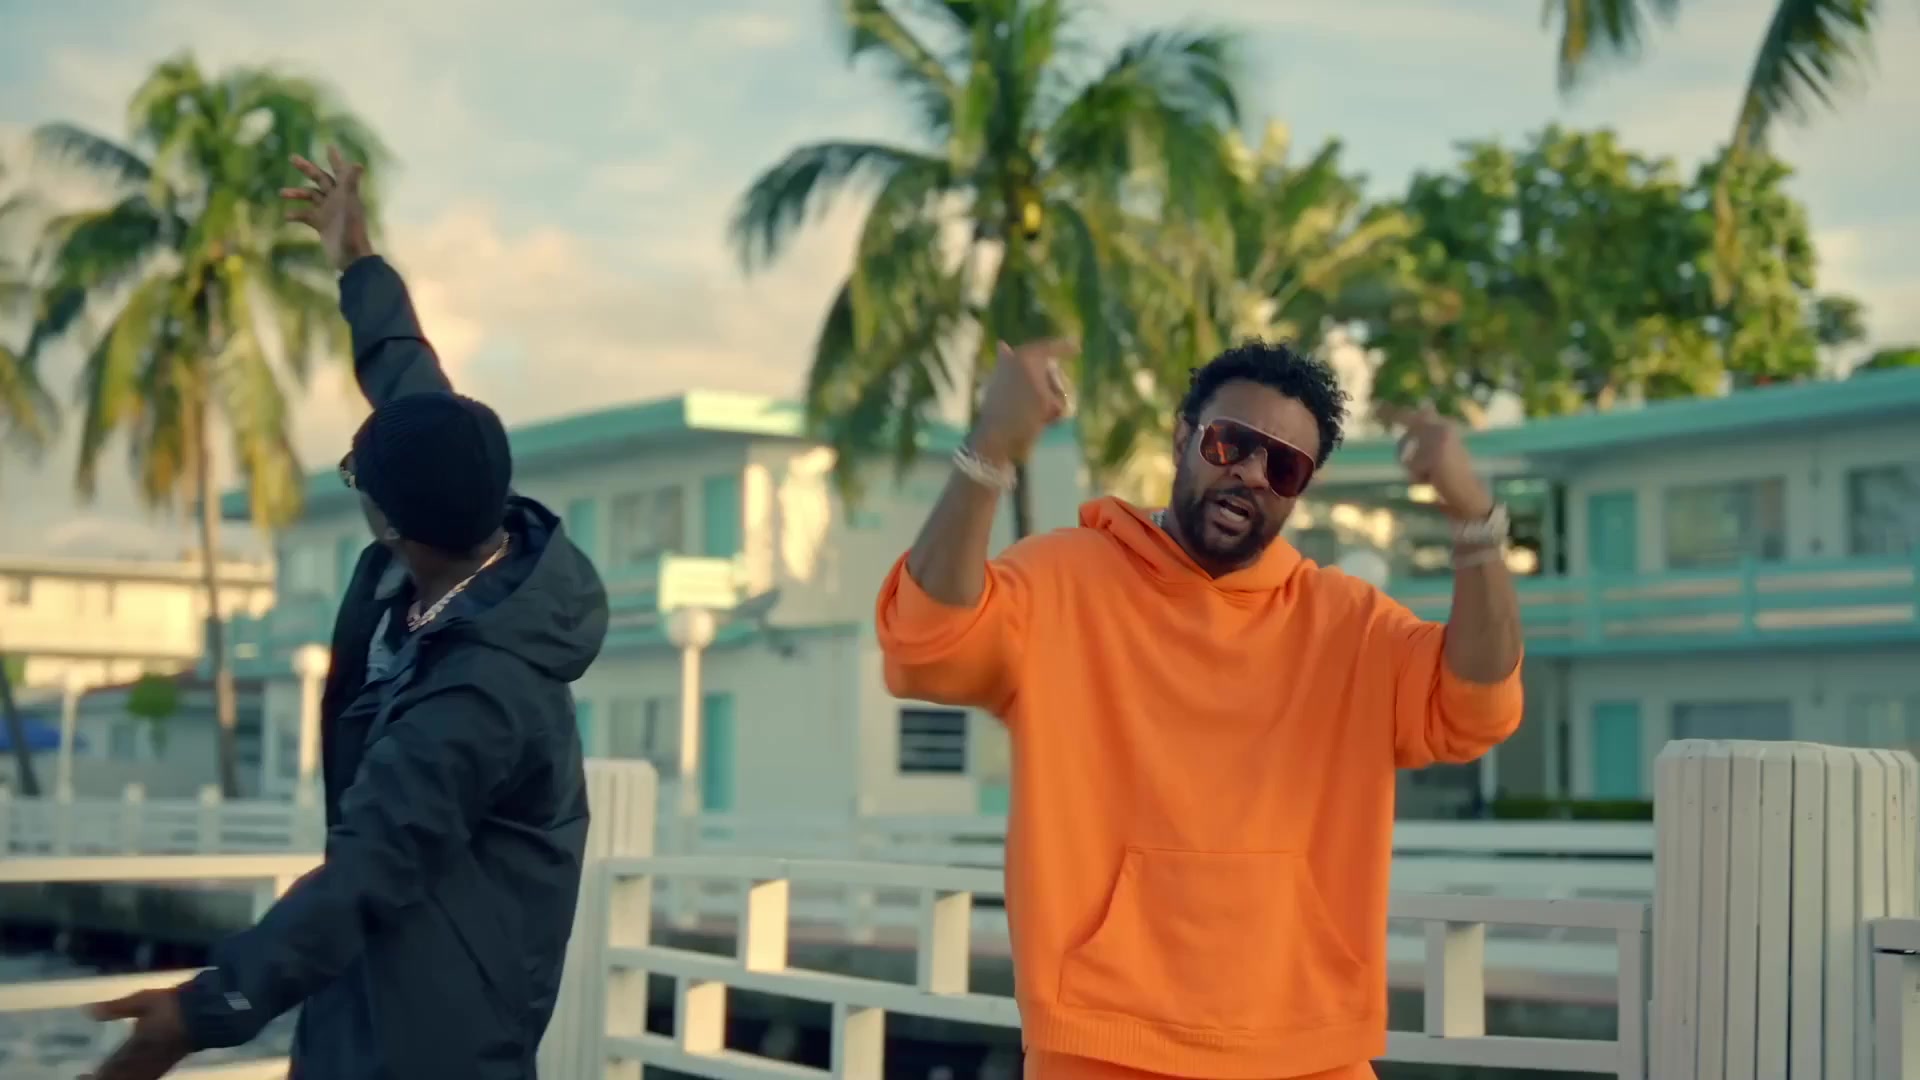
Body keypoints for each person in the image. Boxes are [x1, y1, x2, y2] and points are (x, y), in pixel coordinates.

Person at [81, 149, 609, 1080]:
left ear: (393, 524)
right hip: (372, 991)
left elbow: (370, 868)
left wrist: (195, 1014)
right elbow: (413, 388)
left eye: (356, 476)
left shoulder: (481, 690)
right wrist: (356, 260)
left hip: (437, 1041)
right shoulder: (469, 525)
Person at [876, 339, 1523, 1080]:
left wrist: (1474, 521)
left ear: (1299, 491)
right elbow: (925, 639)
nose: (1250, 472)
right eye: (1230, 443)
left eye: (1283, 466)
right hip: (1101, 1040)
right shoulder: (1063, 579)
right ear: (1183, 436)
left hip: (1310, 1043)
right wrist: (990, 446)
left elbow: (1478, 706)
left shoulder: (1349, 625)